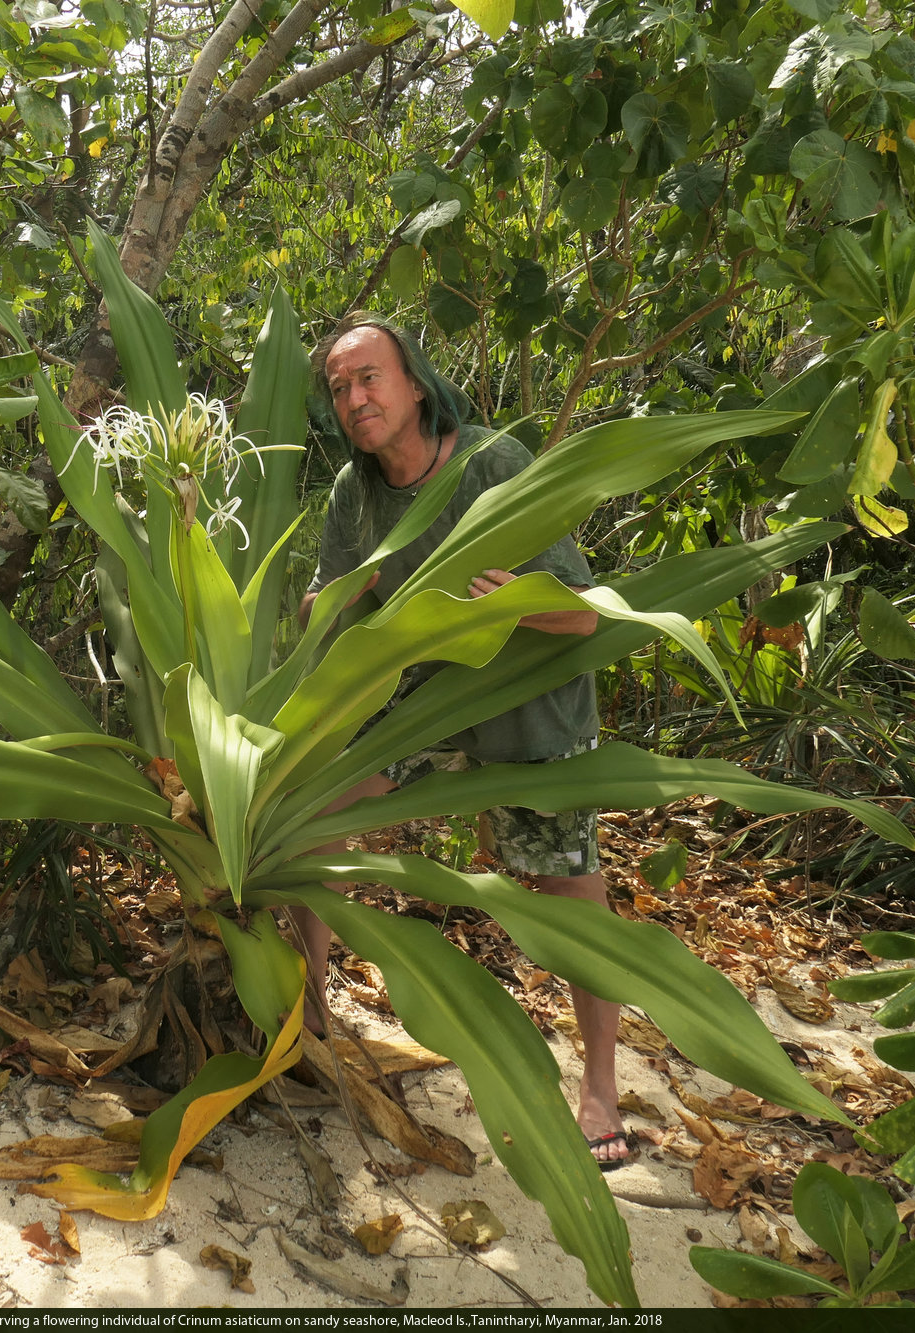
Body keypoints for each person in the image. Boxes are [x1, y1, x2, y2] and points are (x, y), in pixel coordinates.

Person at [290, 313, 630, 1169]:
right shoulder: (354, 492)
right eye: (339, 387)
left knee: (567, 891)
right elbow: (323, 608)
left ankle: (600, 1086)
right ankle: (309, 1021)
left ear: (414, 383)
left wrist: (516, 601)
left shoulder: (492, 466)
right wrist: (331, 603)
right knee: (315, 818)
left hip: (528, 708)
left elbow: (585, 614)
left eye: (369, 377)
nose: (355, 398)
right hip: (424, 702)